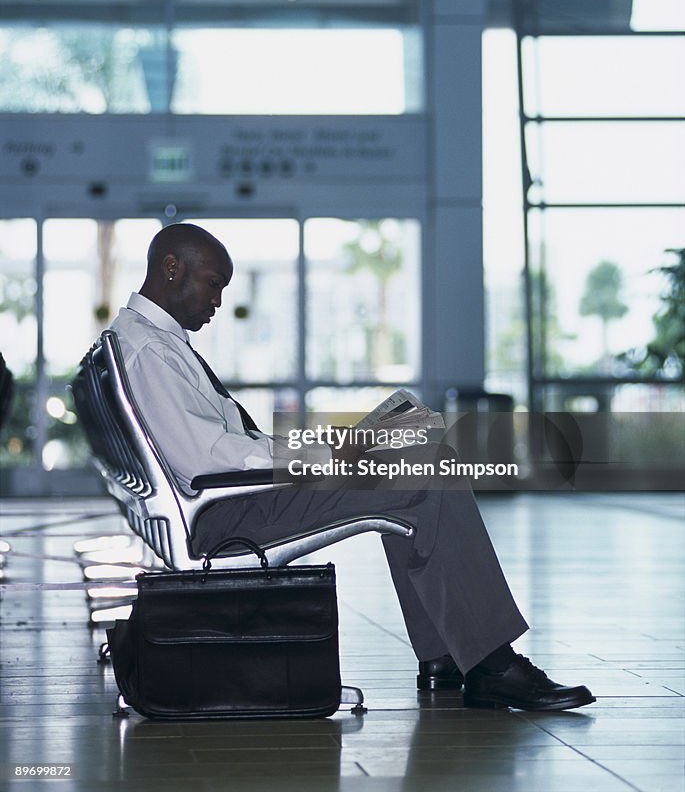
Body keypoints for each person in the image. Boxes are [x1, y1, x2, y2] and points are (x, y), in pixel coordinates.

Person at [108, 223, 595, 712]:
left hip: (230, 500)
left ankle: (449, 655)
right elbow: (205, 460)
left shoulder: (147, 340)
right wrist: (324, 457)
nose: (217, 300)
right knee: (426, 468)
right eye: (214, 283)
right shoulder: (151, 350)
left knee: (414, 452)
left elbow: (223, 447)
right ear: (172, 268)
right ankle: (490, 663)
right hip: (228, 515)